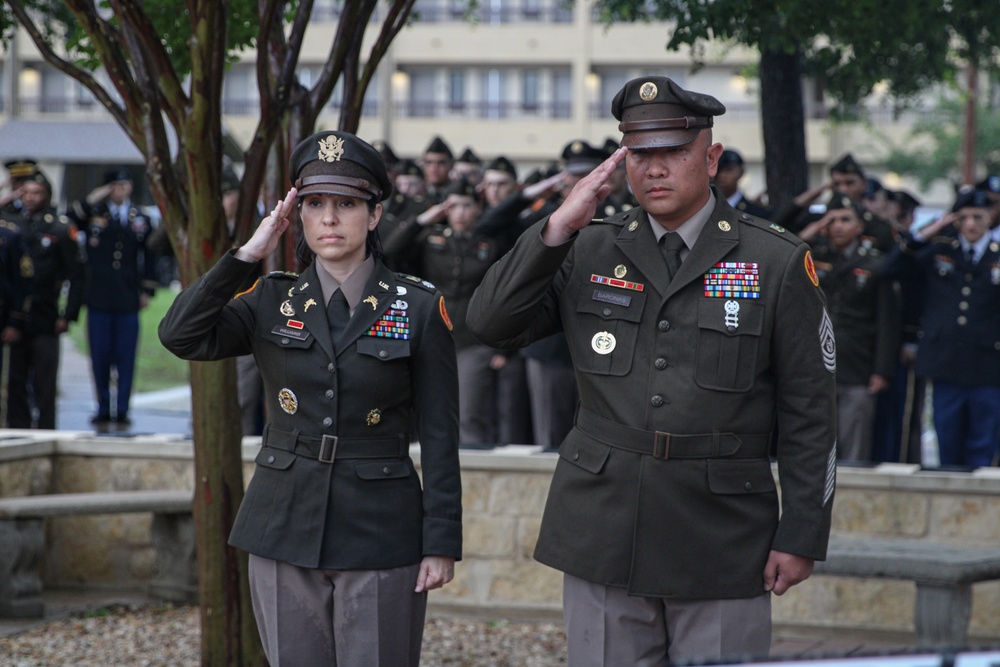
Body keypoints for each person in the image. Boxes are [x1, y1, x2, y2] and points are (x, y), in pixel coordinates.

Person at [467, 75, 837, 665]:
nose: (655, 168)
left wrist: (801, 535)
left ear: (710, 158)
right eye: (640, 153)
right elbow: (489, 323)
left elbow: (811, 412)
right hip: (603, 526)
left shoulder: (776, 260)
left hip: (722, 535)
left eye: (673, 152)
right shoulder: (588, 247)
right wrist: (556, 229)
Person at [158, 130, 462, 665]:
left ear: (373, 215)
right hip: (283, 522)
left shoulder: (416, 306)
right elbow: (180, 334)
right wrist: (247, 253)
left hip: (380, 527)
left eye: (346, 204)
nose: (328, 219)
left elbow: (440, 432)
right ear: (297, 215)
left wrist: (440, 540)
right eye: (315, 204)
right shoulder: (270, 298)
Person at [382, 177, 505, 445]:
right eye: (454, 206)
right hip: (432, 336)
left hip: (472, 339)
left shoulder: (489, 246)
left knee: (470, 413)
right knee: (429, 408)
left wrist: (502, 347)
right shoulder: (430, 239)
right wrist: (423, 219)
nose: (460, 212)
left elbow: (500, 296)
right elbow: (390, 249)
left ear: (477, 209)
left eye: (467, 206)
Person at [883, 188, 1000, 469]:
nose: (971, 224)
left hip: (988, 365)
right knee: (948, 440)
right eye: (965, 217)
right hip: (945, 361)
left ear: (990, 218)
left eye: (978, 217)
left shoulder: (996, 256)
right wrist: (927, 233)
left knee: (982, 444)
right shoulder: (940, 251)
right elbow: (890, 269)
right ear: (955, 220)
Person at [798, 193, 901, 462]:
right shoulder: (811, 258)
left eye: (846, 219)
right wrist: (809, 234)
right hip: (814, 368)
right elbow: (783, 255)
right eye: (832, 220)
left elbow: (887, 323)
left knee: (853, 449)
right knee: (813, 451)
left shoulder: (875, 264)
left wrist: (882, 370)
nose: (839, 226)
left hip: (858, 367)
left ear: (860, 227)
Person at [69, 167, 157, 427]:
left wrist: (147, 290)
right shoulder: (95, 213)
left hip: (128, 297)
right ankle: (103, 406)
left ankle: (123, 408)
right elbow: (70, 218)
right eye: (115, 185)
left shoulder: (140, 216)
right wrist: (97, 196)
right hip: (99, 296)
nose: (121, 190)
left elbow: (150, 255)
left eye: (125, 184)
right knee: (100, 356)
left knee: (126, 356)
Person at [7, 169, 86, 429]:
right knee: (15, 380)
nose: (30, 198)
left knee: (44, 381)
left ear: (48, 195)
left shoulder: (60, 228)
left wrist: (68, 315)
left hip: (46, 313)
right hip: (15, 317)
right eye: (25, 193)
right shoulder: (13, 223)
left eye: (36, 193)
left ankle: (46, 430)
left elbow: (77, 274)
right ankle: (18, 428)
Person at [714, 148, 771, 219]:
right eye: (718, 170)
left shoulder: (756, 213)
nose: (722, 175)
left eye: (729, 170)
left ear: (741, 173)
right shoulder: (707, 209)